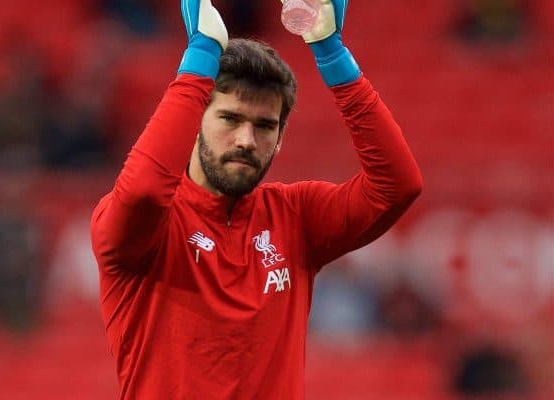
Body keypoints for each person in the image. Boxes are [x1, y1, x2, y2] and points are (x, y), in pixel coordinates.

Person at [90, 0, 422, 398]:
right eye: (230, 119)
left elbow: (397, 185)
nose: (246, 141)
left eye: (264, 126)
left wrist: (332, 54)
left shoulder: (296, 217)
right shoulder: (145, 226)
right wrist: (201, 54)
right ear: (192, 120)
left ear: (280, 139)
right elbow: (143, 190)